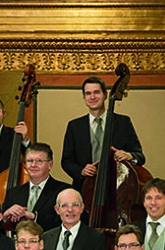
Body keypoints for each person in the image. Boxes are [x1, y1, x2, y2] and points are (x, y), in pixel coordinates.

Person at [60, 74, 146, 228]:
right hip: (86, 193)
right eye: (88, 93)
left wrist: (129, 155)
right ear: (84, 97)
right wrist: (81, 171)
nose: (92, 97)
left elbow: (140, 156)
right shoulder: (74, 126)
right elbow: (66, 161)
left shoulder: (123, 122)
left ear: (105, 95)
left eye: (96, 92)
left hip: (117, 192)